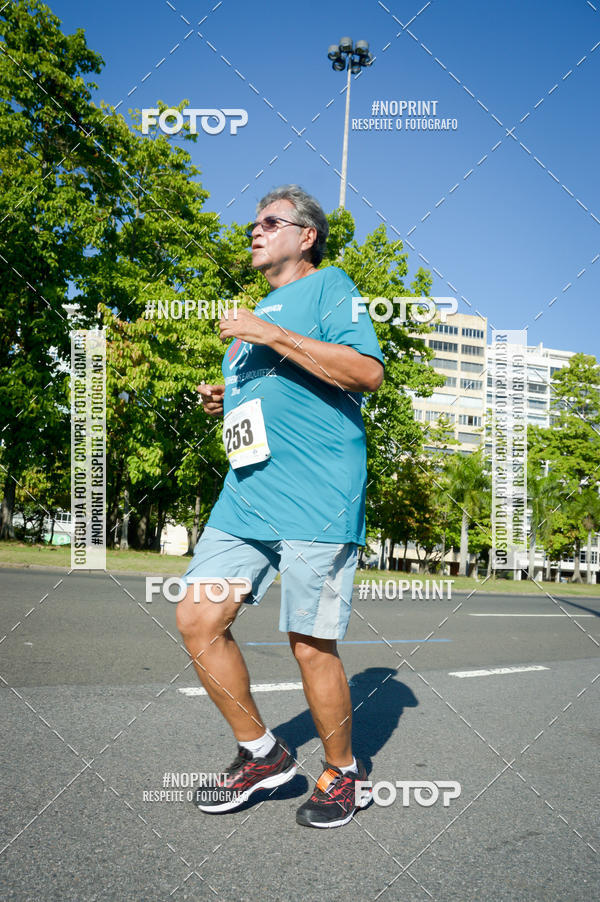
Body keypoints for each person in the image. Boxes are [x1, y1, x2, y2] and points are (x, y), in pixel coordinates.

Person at [176, 184, 384, 828]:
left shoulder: (330, 288)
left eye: (271, 222)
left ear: (306, 235)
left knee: (309, 641)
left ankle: (344, 774)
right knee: (195, 618)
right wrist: (227, 397)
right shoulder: (253, 316)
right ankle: (263, 753)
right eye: (254, 223)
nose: (256, 231)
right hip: (246, 498)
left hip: (318, 497)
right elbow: (272, 394)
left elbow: (364, 372)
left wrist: (267, 332)